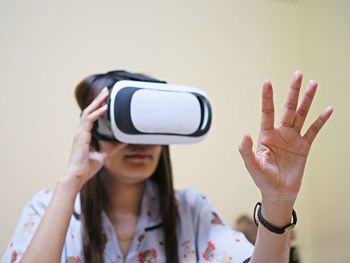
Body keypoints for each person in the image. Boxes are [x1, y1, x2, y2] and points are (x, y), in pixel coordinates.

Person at [1, 70, 333, 263]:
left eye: (151, 125)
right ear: (93, 129)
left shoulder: (191, 212)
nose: (139, 141)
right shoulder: (48, 208)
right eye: (123, 124)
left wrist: (278, 201)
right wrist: (71, 180)